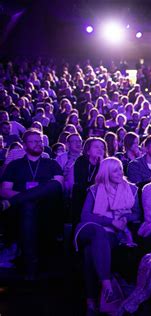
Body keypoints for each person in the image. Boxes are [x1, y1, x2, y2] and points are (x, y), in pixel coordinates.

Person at [74, 157, 141, 314]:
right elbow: (86, 217)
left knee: (90, 251)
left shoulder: (131, 189)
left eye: (120, 168)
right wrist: (111, 220)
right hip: (91, 229)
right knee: (98, 232)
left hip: (114, 234)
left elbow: (137, 214)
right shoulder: (95, 190)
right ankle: (107, 286)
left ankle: (91, 299)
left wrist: (125, 218)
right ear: (106, 172)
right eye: (115, 170)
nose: (120, 172)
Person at [0, 129, 63, 278]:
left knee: (53, 184)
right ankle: (31, 266)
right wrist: (30, 197)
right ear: (24, 145)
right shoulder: (15, 165)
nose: (38, 144)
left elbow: (58, 186)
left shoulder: (51, 163)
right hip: (21, 209)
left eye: (40, 141)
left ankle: (31, 266)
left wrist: (23, 197)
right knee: (29, 205)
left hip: (48, 206)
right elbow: (4, 190)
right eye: (33, 141)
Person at [72, 137, 106, 225]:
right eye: (96, 147)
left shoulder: (105, 163)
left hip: (100, 195)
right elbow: (81, 182)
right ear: (87, 150)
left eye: (102, 147)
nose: (100, 149)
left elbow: (104, 181)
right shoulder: (81, 161)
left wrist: (101, 163)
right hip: (82, 194)